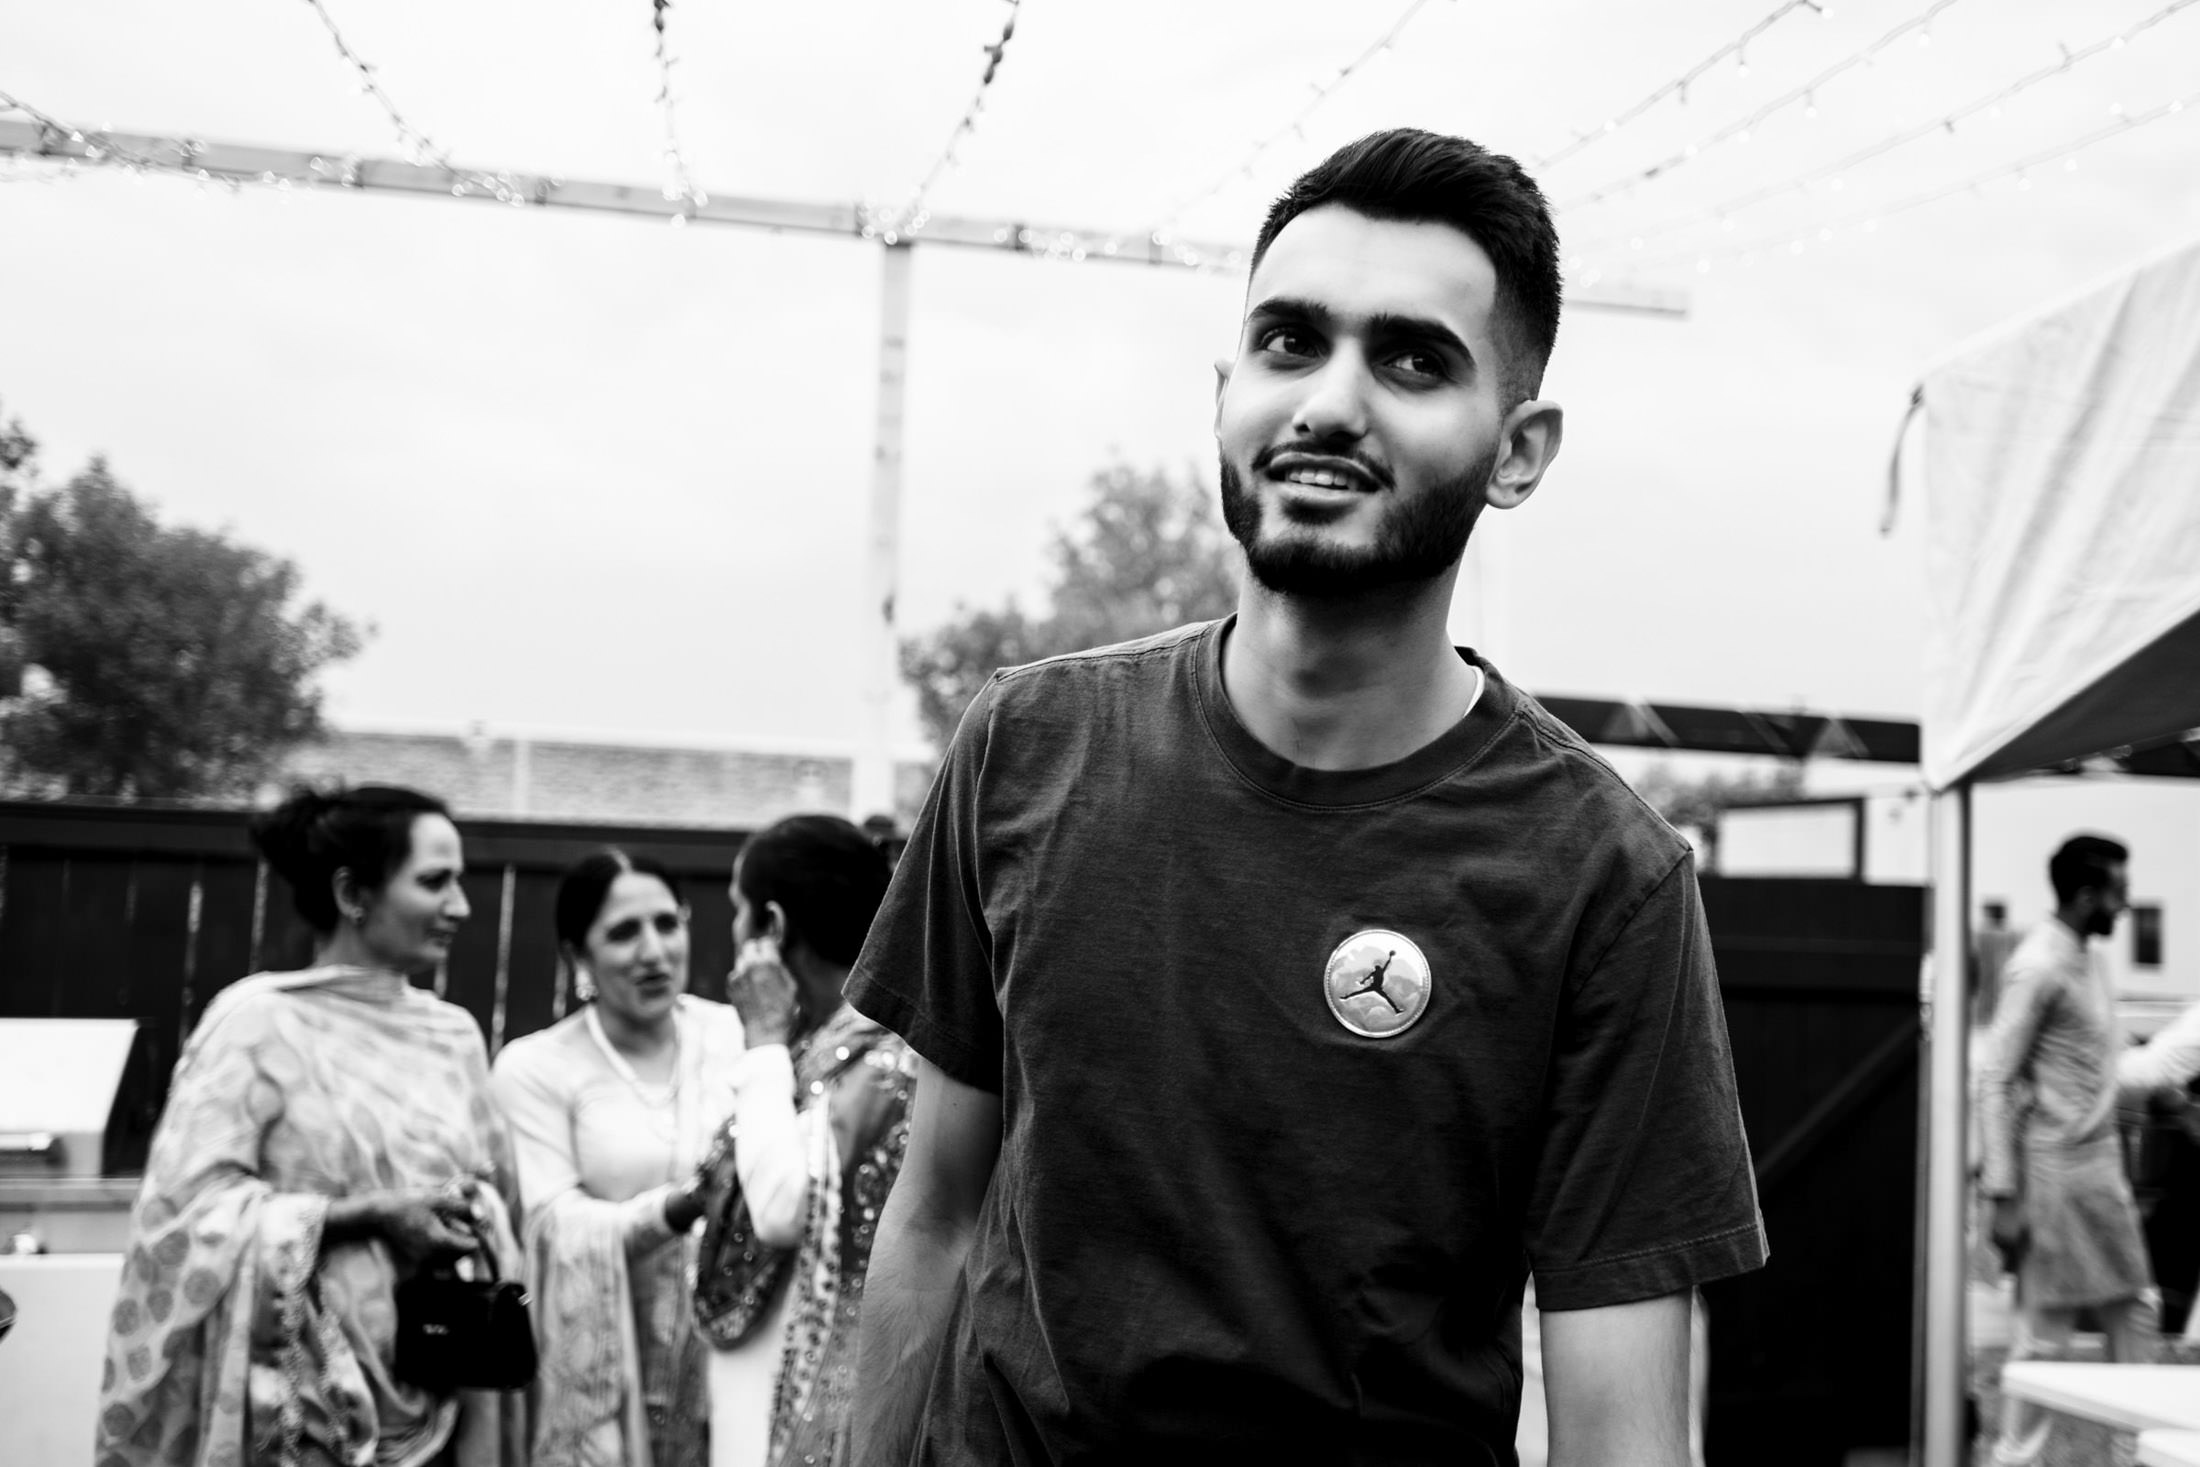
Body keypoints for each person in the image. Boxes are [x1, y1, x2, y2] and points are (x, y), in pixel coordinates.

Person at [847, 128, 1767, 1467]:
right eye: (1290, 342)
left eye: (1412, 359)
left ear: (1519, 451)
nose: (1331, 401)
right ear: (1224, 392)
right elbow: (929, 1217)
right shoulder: (1026, 745)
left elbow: (1624, 1427)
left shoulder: (1603, 875)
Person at [95, 784, 525, 1467]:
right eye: (435, 881)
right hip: (297, 1410)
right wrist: (373, 1213)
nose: (460, 906)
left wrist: (470, 1213)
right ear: (353, 892)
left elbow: (500, 1196)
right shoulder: (256, 1024)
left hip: (442, 1388)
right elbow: (187, 1215)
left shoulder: (454, 1036)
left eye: (460, 882)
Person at [490, 849, 746, 1467]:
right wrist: (678, 1209)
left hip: (730, 1361)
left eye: (667, 923)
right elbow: (550, 1224)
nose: (654, 951)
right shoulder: (536, 1068)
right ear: (578, 956)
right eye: (624, 933)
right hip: (608, 1371)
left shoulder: (735, 1036)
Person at [693, 815, 912, 1467]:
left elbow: (784, 1205)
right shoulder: (815, 1046)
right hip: (758, 1384)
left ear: (772, 929)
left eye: (739, 912)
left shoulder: (887, 1056)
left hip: (822, 1397)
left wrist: (761, 1039)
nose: (732, 933)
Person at [1978, 833, 2160, 1466]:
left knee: (2135, 1314)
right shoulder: (2038, 966)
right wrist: (2001, 1194)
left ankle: (2135, 1453)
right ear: (2087, 897)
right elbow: (1996, 1078)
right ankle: (2012, 1460)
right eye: (2119, 891)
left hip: (2100, 1174)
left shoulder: (2087, 956)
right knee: (2044, 1340)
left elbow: (2097, 1063)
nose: (2126, 904)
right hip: (2053, 1177)